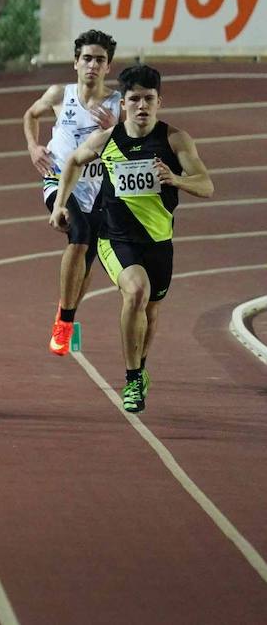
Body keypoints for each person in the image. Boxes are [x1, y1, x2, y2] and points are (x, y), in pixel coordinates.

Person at [49, 65, 213, 413]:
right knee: (136, 292)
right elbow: (74, 161)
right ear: (123, 103)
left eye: (148, 99)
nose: (142, 106)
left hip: (159, 243)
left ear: (159, 102)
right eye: (134, 99)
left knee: (151, 313)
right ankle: (132, 378)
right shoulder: (108, 139)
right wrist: (60, 204)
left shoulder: (175, 140)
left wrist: (176, 180)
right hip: (115, 239)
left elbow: (207, 185)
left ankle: (140, 368)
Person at [22, 30, 119, 355]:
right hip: (59, 182)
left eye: (100, 60)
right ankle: (64, 324)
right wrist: (34, 146)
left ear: (108, 67)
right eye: (87, 58)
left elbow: (136, 147)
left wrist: (116, 130)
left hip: (98, 190)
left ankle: (68, 313)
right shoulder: (59, 94)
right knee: (78, 235)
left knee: (87, 263)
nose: (92, 65)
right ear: (76, 62)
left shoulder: (118, 106)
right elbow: (30, 115)